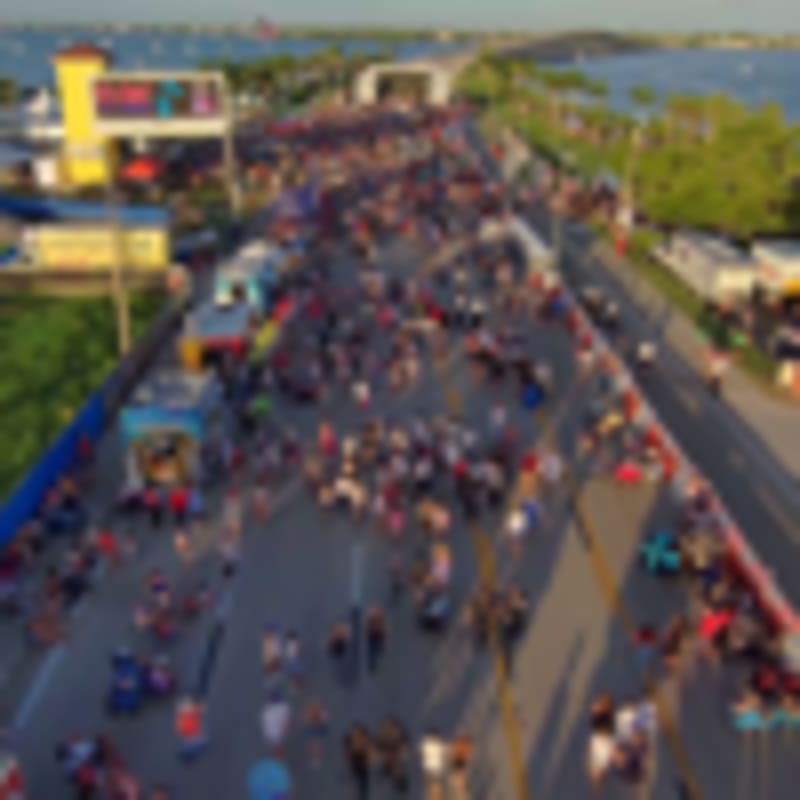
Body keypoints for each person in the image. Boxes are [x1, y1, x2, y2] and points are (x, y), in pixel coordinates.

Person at [344, 724, 372, 800]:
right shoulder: (350, 743)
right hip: (355, 767)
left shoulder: (365, 742)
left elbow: (369, 754)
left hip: (362, 767)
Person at [260, 689, 292, 754]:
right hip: (278, 733)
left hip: (269, 734)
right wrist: (286, 731)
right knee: (278, 747)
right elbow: (286, 723)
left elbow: (263, 722)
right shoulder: (284, 707)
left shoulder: (265, 709)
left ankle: (276, 755)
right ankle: (278, 756)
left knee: (275, 746)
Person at [420, 728, 447, 800]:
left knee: (435, 788)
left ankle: (436, 797)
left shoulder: (437, 744)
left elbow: (444, 754)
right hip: (431, 769)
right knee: (432, 788)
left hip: (435, 769)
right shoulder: (427, 744)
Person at [303, 699, 329, 769]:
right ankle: (317, 757)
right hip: (318, 730)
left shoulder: (310, 713)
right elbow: (325, 720)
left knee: (315, 745)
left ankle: (317, 758)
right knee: (316, 744)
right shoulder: (322, 713)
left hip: (315, 730)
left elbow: (306, 720)